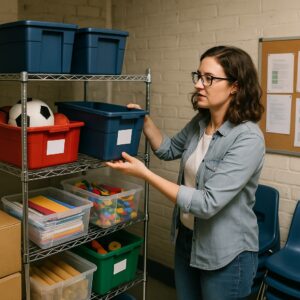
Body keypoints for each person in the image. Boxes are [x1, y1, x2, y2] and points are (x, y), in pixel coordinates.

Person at [106, 45, 265, 300]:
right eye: (198, 76)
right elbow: (168, 150)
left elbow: (206, 203)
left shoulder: (248, 139)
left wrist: (146, 174)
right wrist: (145, 121)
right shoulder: (200, 123)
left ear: (235, 86)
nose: (199, 85)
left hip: (226, 255)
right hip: (187, 241)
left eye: (209, 78)